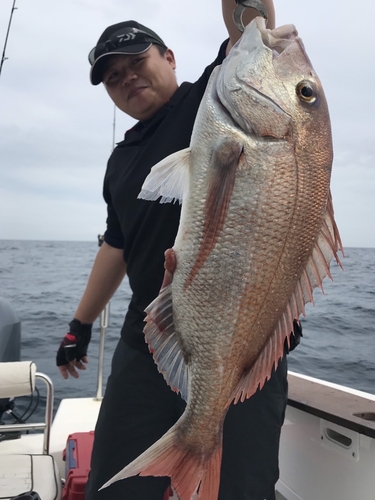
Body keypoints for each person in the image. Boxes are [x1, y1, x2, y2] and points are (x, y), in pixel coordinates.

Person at [56, 1, 301, 499]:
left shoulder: (214, 100)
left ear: (169, 58)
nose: (126, 79)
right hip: (148, 341)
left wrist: (249, 22)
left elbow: (250, 28)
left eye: (135, 62)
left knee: (240, 490)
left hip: (242, 346)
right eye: (113, 77)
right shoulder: (121, 159)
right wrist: (79, 325)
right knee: (116, 488)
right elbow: (118, 243)